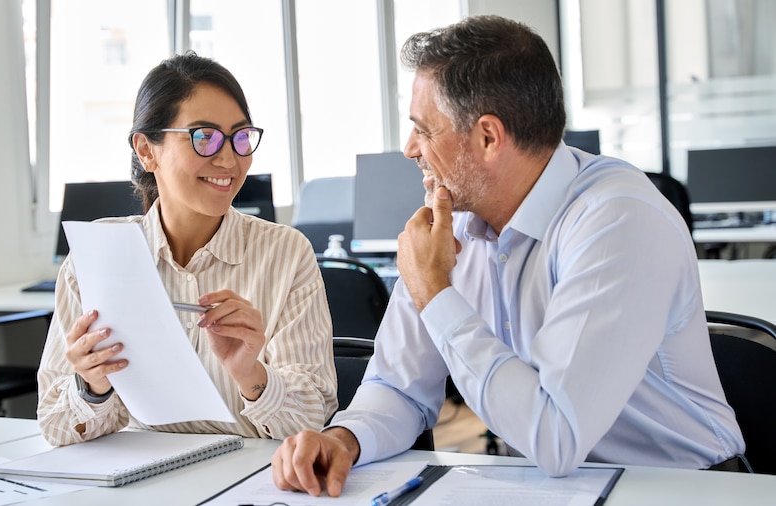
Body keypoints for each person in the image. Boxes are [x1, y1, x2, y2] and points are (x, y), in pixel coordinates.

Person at [272, 15, 745, 497]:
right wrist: (345, 439)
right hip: (552, 487)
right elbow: (399, 387)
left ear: (488, 137)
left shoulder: (618, 220)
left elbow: (555, 436)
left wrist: (434, 292)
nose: (409, 148)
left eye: (423, 130)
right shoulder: (453, 224)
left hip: (684, 488)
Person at [37, 52, 337, 447]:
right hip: (139, 478)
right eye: (204, 137)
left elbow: (313, 421)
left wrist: (251, 374)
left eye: (240, 137)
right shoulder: (97, 257)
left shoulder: (284, 253)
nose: (229, 159)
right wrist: (93, 386)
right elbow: (55, 425)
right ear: (146, 150)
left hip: (252, 479)